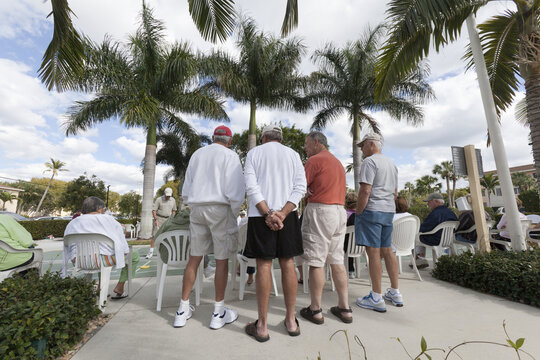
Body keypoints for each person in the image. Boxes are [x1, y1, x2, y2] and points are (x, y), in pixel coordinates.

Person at [175, 125, 245, 330]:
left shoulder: (197, 154)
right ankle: (218, 311)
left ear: (213, 137)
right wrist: (234, 212)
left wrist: (192, 202)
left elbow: (186, 187)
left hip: (197, 208)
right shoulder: (230, 156)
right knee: (222, 260)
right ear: (229, 140)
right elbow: (235, 189)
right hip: (220, 208)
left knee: (195, 258)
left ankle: (182, 309)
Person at [243, 124, 306, 342]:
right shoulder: (293, 154)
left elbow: (251, 187)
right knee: (288, 263)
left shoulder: (254, 153)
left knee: (264, 264)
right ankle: (290, 320)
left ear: (263, 138)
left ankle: (262, 326)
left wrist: (268, 213)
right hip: (287, 215)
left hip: (260, 215)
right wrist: (282, 213)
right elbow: (300, 187)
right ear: (280, 138)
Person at [300, 131, 352, 325]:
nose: (305, 148)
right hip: (339, 211)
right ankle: (344, 307)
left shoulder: (314, 161)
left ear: (316, 142)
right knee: (337, 260)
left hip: (321, 210)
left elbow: (299, 186)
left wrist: (305, 191)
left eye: (306, 144)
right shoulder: (337, 163)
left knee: (316, 261)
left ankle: (315, 309)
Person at [354, 133, 402, 313]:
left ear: (371, 144)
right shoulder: (392, 163)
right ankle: (395, 292)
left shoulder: (369, 162)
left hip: (372, 209)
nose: (361, 149)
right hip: (388, 210)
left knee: (373, 252)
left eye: (362, 146)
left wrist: (359, 212)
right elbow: (395, 193)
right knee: (387, 250)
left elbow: (365, 190)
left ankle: (376, 296)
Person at [64, 196, 140, 299]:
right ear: (99, 209)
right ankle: (120, 286)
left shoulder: (73, 222)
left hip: (78, 260)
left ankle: (100, 287)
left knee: (101, 252)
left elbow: (67, 245)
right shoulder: (108, 219)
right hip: (101, 261)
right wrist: (123, 251)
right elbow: (122, 242)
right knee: (133, 255)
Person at [414, 192, 458, 267]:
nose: (427, 204)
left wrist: (414, 229)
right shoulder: (451, 213)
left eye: (429, 202)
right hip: (448, 241)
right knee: (420, 234)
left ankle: (419, 258)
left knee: (416, 235)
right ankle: (420, 258)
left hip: (435, 240)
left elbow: (424, 228)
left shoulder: (435, 213)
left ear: (436, 201)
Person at [146, 187, 177, 259]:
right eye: (167, 195)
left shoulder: (173, 200)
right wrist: (156, 219)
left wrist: (172, 218)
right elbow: (154, 210)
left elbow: (174, 210)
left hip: (168, 219)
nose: (168, 197)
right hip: (159, 218)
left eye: (169, 196)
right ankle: (150, 252)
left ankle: (168, 252)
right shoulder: (159, 200)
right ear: (164, 194)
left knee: (169, 236)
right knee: (155, 235)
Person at [344, 192, 358, 278]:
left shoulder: (343, 214)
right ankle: (351, 270)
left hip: (345, 246)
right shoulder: (362, 215)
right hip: (360, 246)